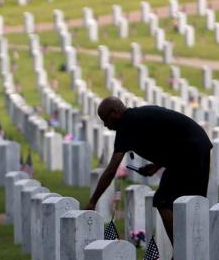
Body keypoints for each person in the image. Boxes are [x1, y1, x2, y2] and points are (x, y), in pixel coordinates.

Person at [86, 97, 212, 245]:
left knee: (162, 200)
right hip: (200, 144)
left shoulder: (126, 126)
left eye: (105, 119)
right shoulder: (138, 116)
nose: (105, 125)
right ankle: (195, 255)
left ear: (115, 113)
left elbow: (111, 170)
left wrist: (92, 201)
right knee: (194, 203)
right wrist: (156, 166)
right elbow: (170, 137)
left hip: (188, 152)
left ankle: (181, 254)